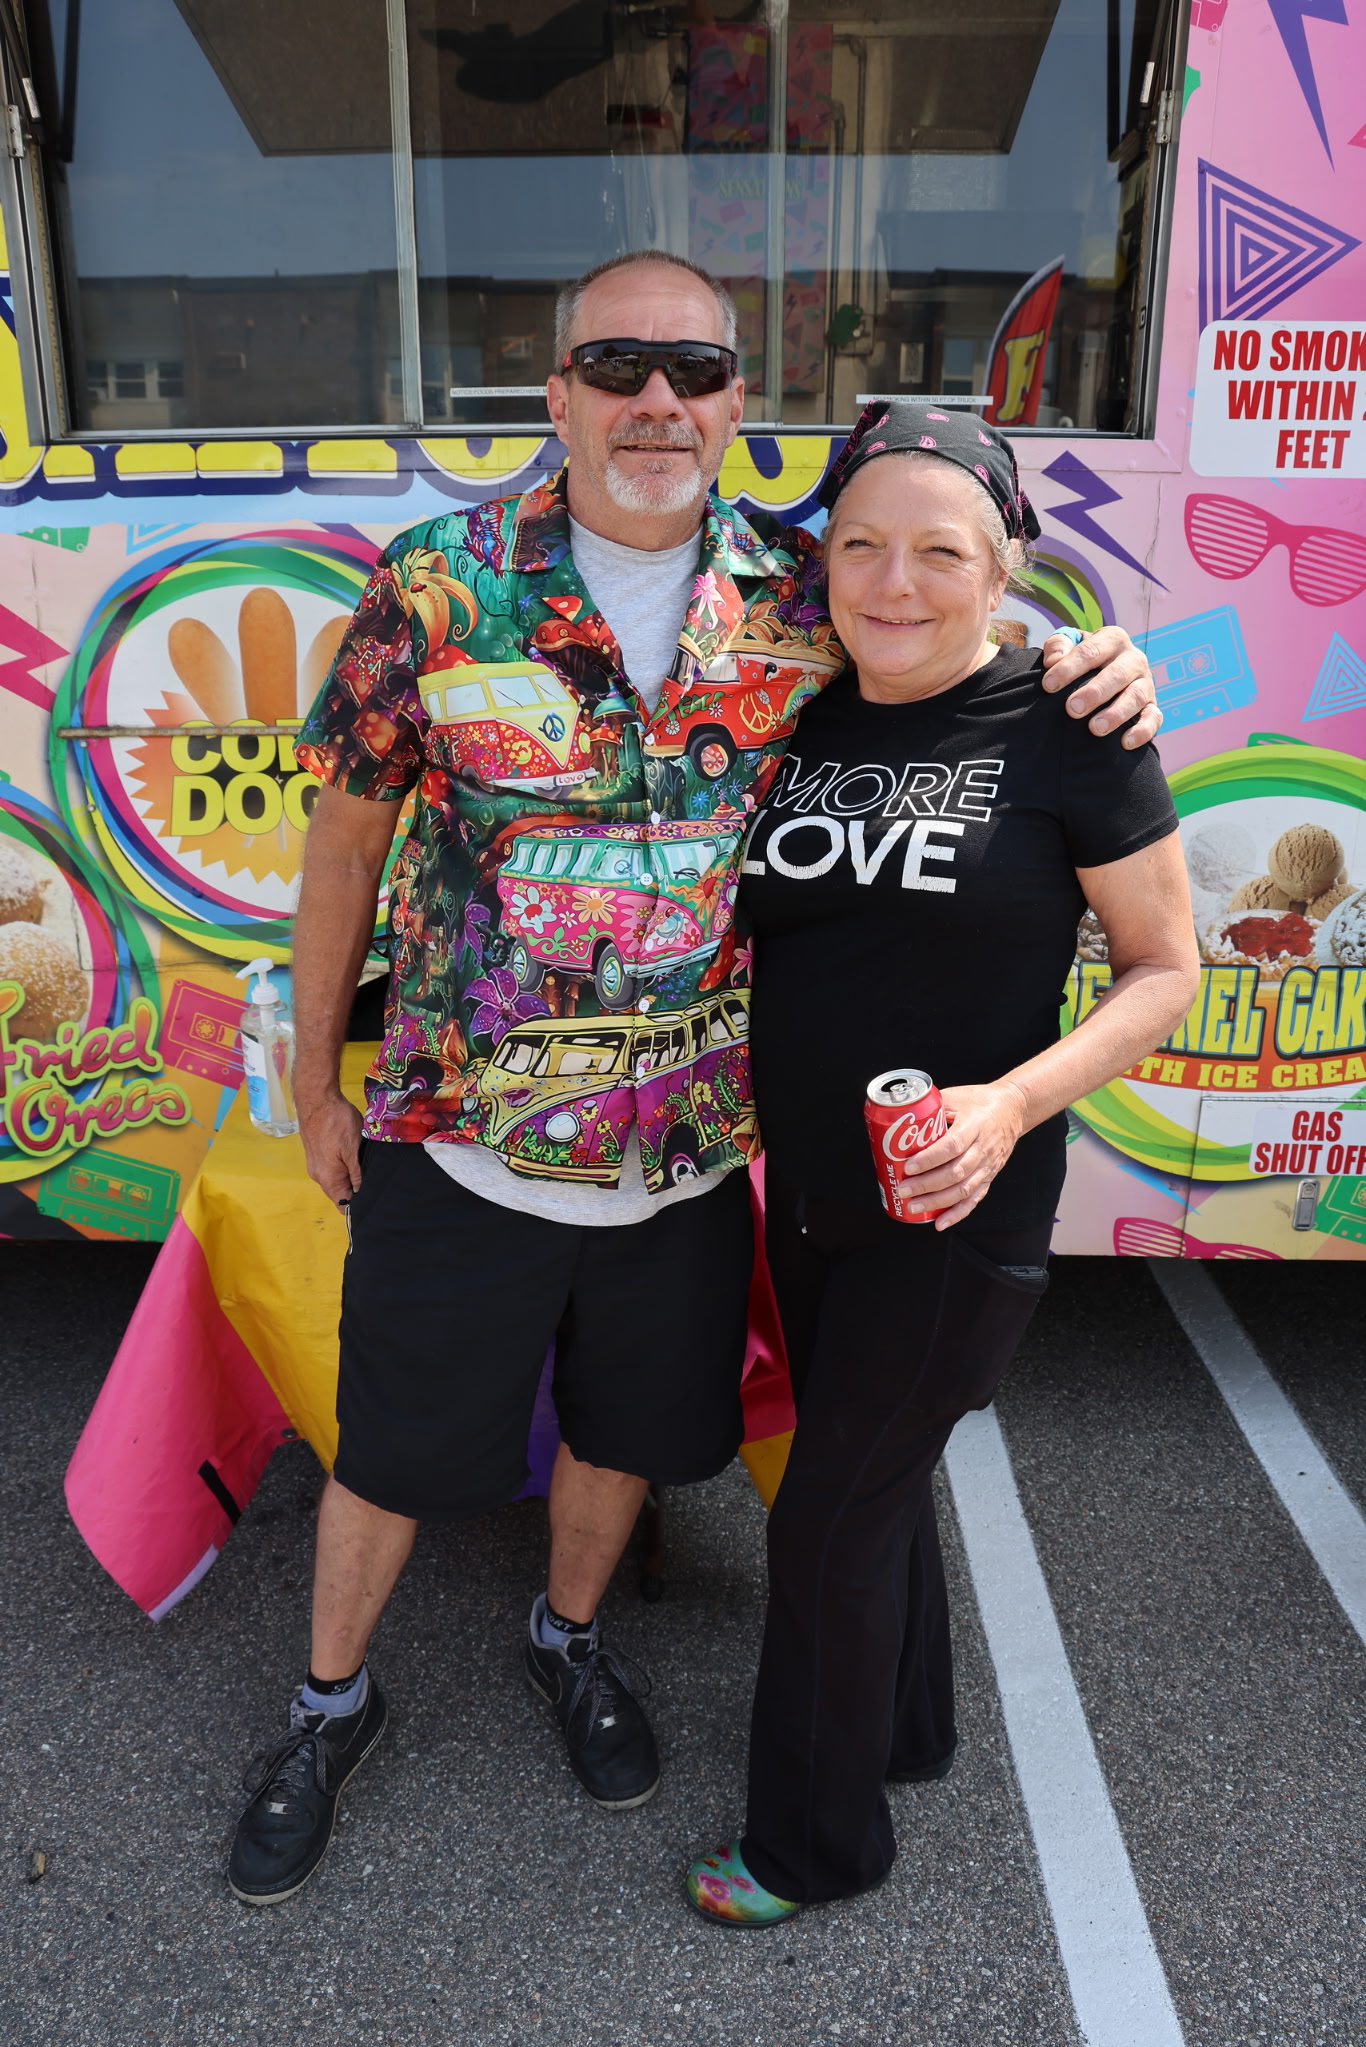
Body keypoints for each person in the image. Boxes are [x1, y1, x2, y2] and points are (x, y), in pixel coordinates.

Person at [227, 254, 1161, 1906]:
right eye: (616, 365)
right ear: (560, 392)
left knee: (626, 1432)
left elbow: (942, 603)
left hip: (683, 1142)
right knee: (390, 1447)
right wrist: (315, 1079)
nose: (655, 401)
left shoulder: (803, 592)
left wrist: (1099, 657)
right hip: (467, 1127)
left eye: (693, 371)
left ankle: (567, 1641)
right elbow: (345, 848)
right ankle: (324, 1705)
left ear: (736, 401)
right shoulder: (434, 588)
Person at [684, 400, 1200, 1926]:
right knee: (876, 1481)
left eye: (937, 552)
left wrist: (1005, 1107)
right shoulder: (793, 711)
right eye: (859, 544)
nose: (892, 583)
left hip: (958, 1203)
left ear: (1003, 569)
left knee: (828, 1510)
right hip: (816, 1191)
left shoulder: (1066, 720)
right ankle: (903, 1730)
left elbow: (1162, 969)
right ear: (819, 560)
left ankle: (810, 1845)